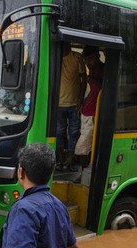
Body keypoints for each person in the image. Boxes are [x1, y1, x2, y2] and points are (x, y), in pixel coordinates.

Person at [56, 42, 86, 171]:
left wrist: (81, 100)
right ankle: (59, 160)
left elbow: (84, 79)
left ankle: (71, 160)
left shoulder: (76, 57)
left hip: (74, 104)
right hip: (58, 104)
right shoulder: (55, 57)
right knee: (59, 133)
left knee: (73, 133)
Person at [75, 46, 104, 168]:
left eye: (90, 59)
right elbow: (93, 92)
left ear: (98, 57)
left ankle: (84, 174)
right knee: (87, 147)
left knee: (81, 148)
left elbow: (104, 89)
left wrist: (93, 80)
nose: (87, 63)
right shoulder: (92, 70)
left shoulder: (104, 70)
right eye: (86, 60)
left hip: (94, 115)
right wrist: (83, 103)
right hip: (86, 112)